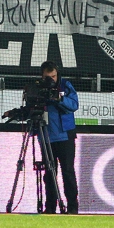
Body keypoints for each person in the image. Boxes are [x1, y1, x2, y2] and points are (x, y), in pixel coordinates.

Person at [39, 61, 79, 214]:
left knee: (68, 172)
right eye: (48, 77)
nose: (51, 80)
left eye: (54, 76)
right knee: (49, 174)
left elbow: (74, 104)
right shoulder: (38, 87)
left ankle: (72, 208)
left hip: (65, 135)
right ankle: (50, 208)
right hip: (46, 136)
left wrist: (59, 98)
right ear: (42, 76)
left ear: (57, 74)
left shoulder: (65, 85)